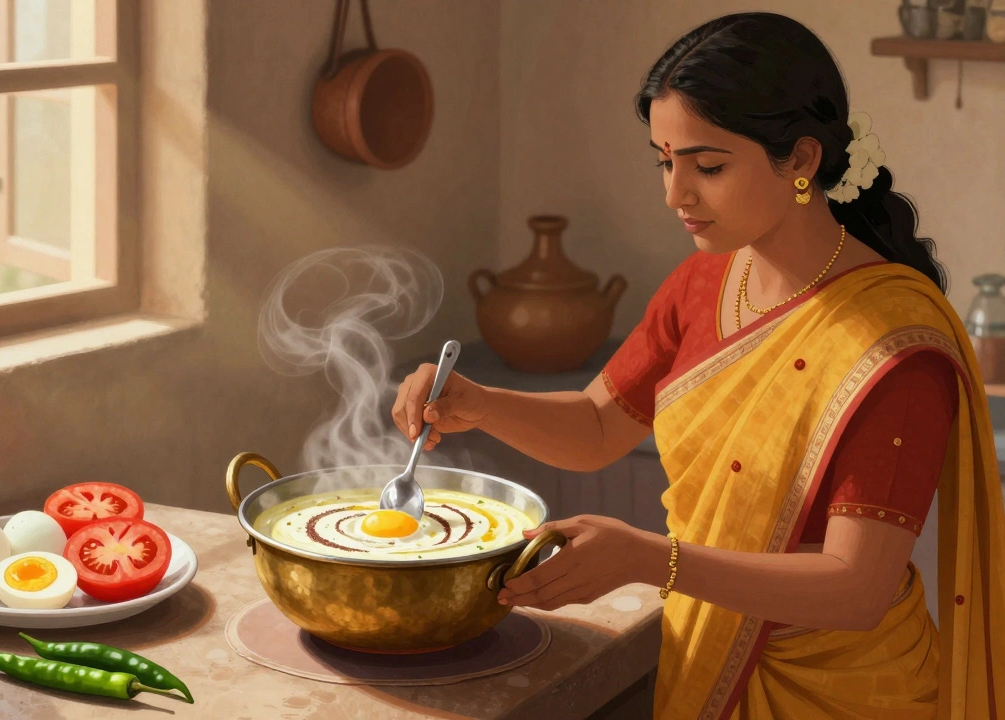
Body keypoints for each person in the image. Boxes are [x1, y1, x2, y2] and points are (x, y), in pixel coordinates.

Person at [391, 12, 1005, 720]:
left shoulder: (888, 345)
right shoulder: (702, 286)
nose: (674, 194)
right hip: (705, 659)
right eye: (664, 160)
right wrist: (480, 403)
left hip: (849, 694)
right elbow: (597, 424)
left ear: (802, 160)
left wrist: (651, 560)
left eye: (707, 166)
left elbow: (856, 588)